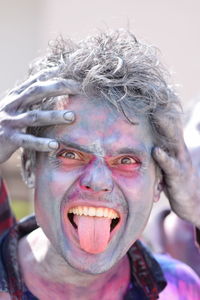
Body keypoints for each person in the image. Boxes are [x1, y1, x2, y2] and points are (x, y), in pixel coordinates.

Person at [0, 29, 199, 300]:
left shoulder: (180, 290)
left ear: (159, 183)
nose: (98, 180)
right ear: (29, 168)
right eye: (70, 155)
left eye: (126, 160)